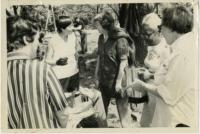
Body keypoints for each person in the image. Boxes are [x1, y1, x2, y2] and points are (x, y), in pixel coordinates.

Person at [7, 16, 97, 128]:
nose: (39, 45)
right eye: (38, 40)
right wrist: (88, 106)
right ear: (26, 39)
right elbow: (63, 116)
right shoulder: (41, 68)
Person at [130, 6, 197, 127]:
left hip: (178, 121)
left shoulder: (182, 54)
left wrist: (143, 86)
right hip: (169, 116)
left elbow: (168, 93)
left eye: (161, 28)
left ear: (171, 28)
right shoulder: (181, 49)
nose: (161, 32)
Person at [127, 13, 171, 127]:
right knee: (147, 125)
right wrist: (144, 70)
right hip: (150, 94)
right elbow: (152, 65)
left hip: (161, 96)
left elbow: (170, 75)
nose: (145, 37)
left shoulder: (166, 48)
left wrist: (150, 75)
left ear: (158, 31)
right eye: (143, 34)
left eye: (148, 34)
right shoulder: (150, 45)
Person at [94, 11, 134, 127]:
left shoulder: (120, 38)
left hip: (119, 81)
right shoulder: (101, 38)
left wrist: (118, 82)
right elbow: (99, 57)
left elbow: (123, 61)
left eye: (97, 25)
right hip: (104, 80)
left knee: (124, 113)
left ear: (104, 25)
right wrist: (96, 76)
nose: (96, 27)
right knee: (101, 112)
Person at [46, 16, 81, 92]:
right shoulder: (53, 40)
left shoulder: (73, 36)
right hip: (61, 76)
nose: (72, 28)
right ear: (62, 28)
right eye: (70, 26)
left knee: (75, 99)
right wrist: (56, 62)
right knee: (63, 100)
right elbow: (47, 60)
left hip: (74, 74)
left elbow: (76, 52)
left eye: (72, 25)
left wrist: (76, 62)